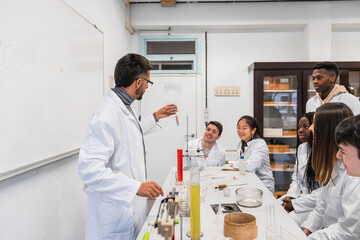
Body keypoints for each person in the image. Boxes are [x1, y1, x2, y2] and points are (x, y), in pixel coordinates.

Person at [78, 53, 178, 240]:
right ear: (138, 82)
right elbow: (89, 169)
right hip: (113, 217)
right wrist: (135, 187)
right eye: (148, 82)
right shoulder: (107, 113)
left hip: (127, 209)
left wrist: (155, 116)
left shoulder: (123, 107)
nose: (148, 87)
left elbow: (129, 134)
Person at [301, 103, 360, 239]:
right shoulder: (334, 163)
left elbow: (348, 232)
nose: (310, 128)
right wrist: (306, 231)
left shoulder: (353, 174)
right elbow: (322, 205)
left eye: (315, 123)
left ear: (327, 130)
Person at [280, 112, 321, 226]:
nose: (301, 130)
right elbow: (296, 179)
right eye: (299, 127)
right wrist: (290, 197)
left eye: (306, 127)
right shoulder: (302, 148)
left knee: (287, 221)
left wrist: (295, 204)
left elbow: (321, 193)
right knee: (275, 207)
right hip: (298, 198)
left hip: (312, 205)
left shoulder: (322, 153)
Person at [234, 115, 275, 193]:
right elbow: (241, 166)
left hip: (262, 185)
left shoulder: (260, 144)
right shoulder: (241, 143)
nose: (240, 131)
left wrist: (234, 164)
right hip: (248, 183)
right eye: (238, 127)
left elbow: (250, 167)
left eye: (244, 128)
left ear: (253, 130)